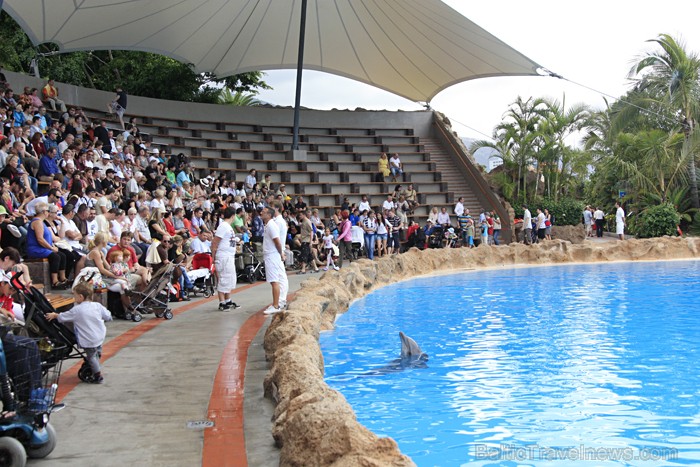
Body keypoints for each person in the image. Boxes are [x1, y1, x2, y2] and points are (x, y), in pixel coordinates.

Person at [47, 282, 112, 384]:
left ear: (81, 297)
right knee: (96, 351)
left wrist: (55, 315)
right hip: (99, 335)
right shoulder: (97, 306)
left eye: (75, 296)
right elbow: (108, 316)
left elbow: (63, 316)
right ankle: (96, 359)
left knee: (91, 356)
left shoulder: (77, 310)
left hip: (88, 339)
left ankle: (98, 376)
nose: (74, 298)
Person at [211, 207, 241, 311]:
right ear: (233, 216)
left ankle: (228, 300)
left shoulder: (228, 227)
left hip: (229, 255)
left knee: (230, 278)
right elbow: (215, 242)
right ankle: (221, 302)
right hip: (223, 256)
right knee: (223, 278)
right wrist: (213, 257)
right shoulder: (223, 226)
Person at [261, 206, 286, 315]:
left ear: (269, 215)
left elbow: (277, 241)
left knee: (274, 280)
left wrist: (280, 253)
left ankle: (276, 305)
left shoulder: (271, 226)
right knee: (274, 280)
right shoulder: (268, 225)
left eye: (264, 212)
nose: (261, 212)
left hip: (272, 255)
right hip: (270, 255)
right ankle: (276, 304)